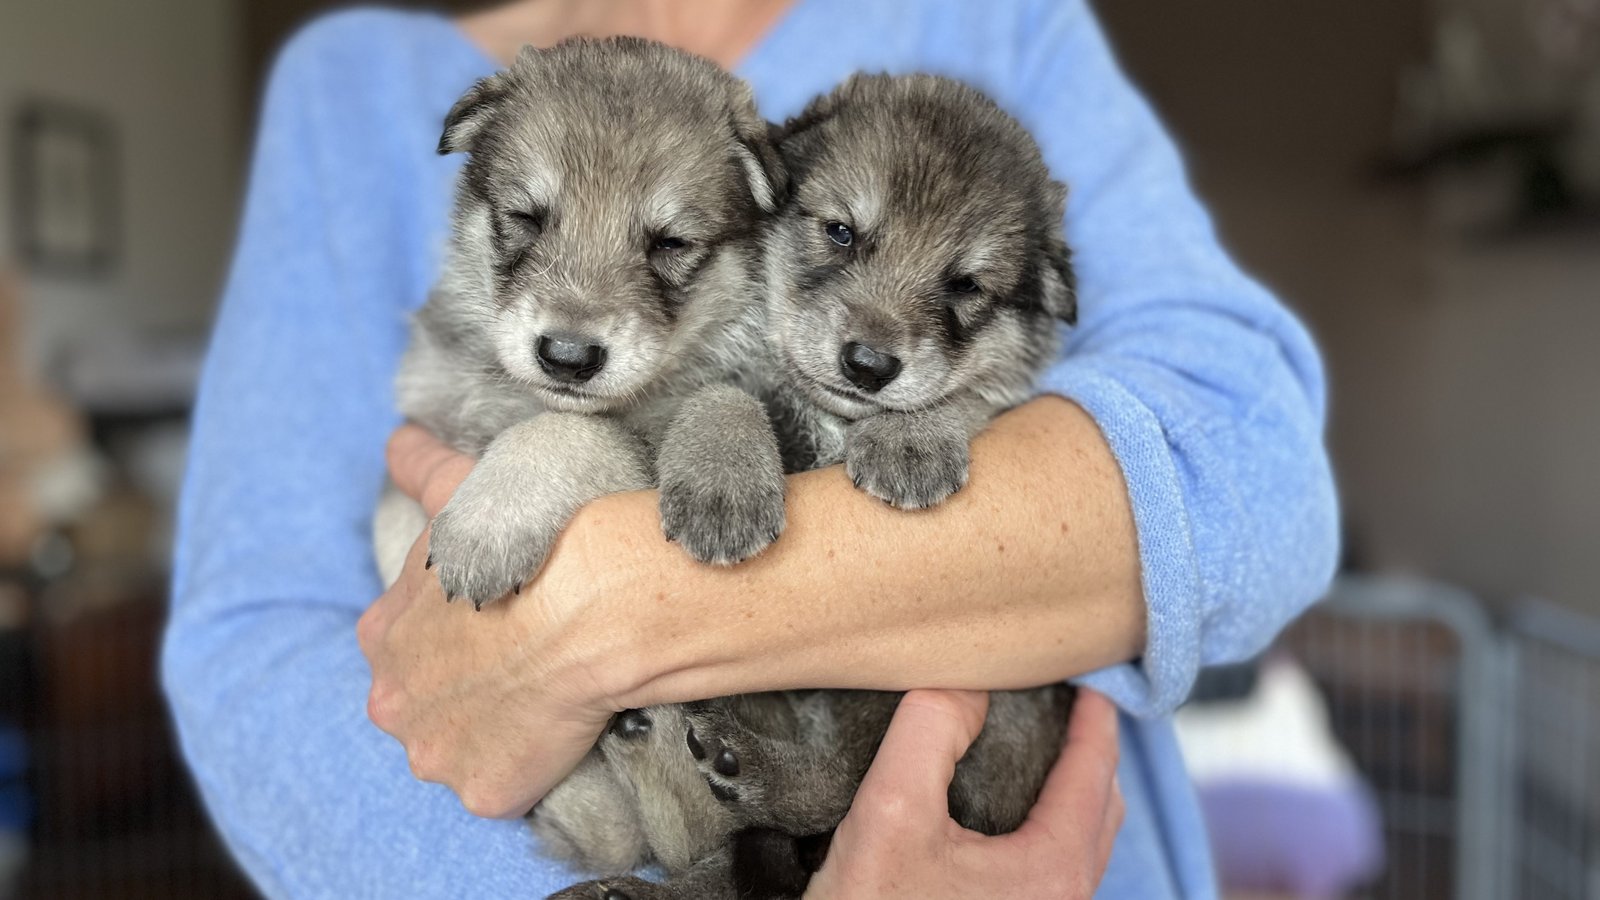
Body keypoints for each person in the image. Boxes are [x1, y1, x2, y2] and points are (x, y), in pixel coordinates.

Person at [163, 1, 1339, 898]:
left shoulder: (993, 21)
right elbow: (249, 647)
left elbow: (1255, 468)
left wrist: (620, 616)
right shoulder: (354, 91)